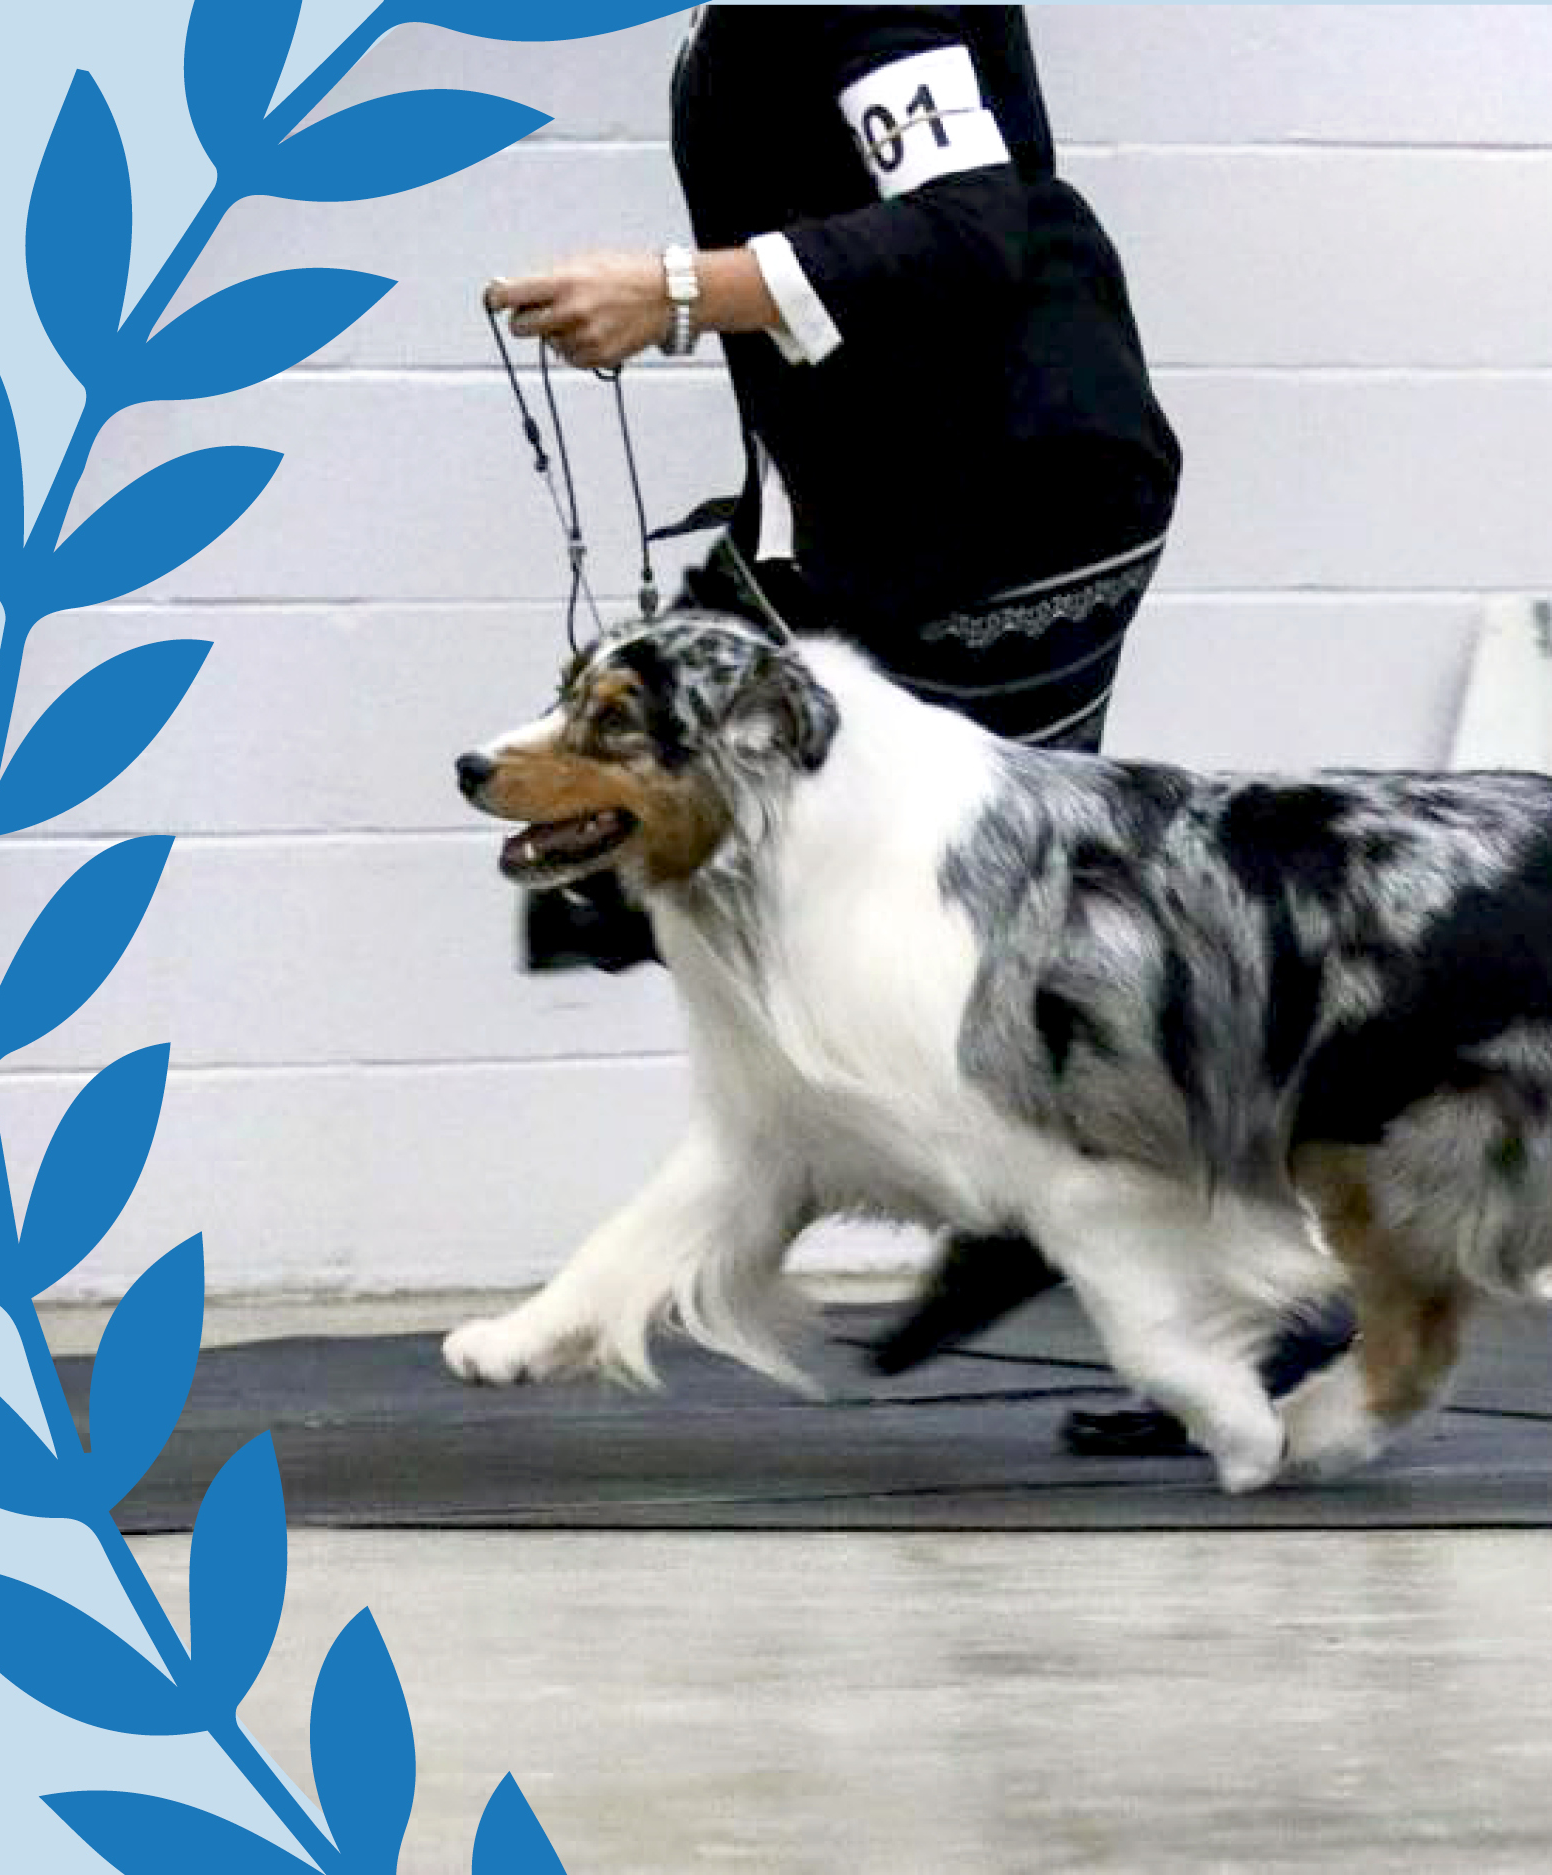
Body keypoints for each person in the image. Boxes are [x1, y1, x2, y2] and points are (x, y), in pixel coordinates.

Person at [483, 5, 1343, 1455]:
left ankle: (1255, 1309)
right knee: (791, 881)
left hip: (1023, 508)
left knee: (987, 931)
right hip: (922, 515)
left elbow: (970, 224)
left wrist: (681, 294)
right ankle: (1050, 1221)